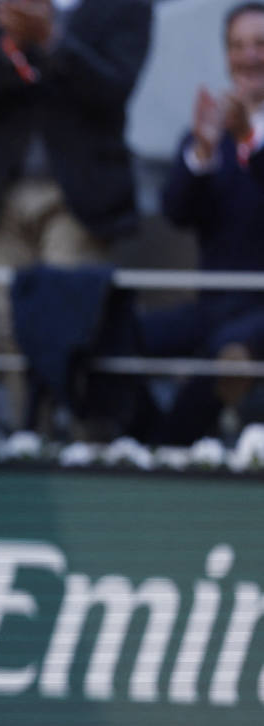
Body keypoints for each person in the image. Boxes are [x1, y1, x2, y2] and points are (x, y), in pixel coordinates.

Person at [0, 0, 152, 432]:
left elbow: (115, 88)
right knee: (11, 331)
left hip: (79, 198)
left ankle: (82, 449)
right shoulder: (1, 6)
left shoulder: (126, 7)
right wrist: (14, 45)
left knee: (71, 330)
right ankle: (31, 442)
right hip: (5, 195)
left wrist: (51, 40)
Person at [136, 2, 264, 445]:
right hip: (213, 305)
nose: (249, 57)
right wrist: (203, 155)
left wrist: (250, 138)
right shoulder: (206, 133)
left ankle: (169, 448)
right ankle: (139, 439)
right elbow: (175, 212)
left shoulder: (245, 134)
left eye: (260, 44)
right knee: (120, 339)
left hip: (260, 309)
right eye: (238, 46)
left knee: (227, 354)